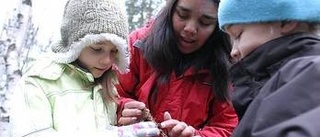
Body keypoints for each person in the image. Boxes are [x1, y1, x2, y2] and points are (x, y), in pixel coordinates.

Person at [9, 0, 160, 136]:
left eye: (114, 51)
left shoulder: (107, 87)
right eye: (97, 48)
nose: (107, 60)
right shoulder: (39, 82)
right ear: (75, 44)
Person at [116, 0, 238, 136]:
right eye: (183, 15)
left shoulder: (227, 66)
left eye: (205, 22)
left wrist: (196, 136)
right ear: (170, 10)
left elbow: (228, 126)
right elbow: (108, 93)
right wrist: (122, 108)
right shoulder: (138, 45)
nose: (190, 29)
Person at [218, 0, 320, 136]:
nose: (233, 51)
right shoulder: (275, 82)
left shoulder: (310, 72)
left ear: (286, 21)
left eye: (238, 35)